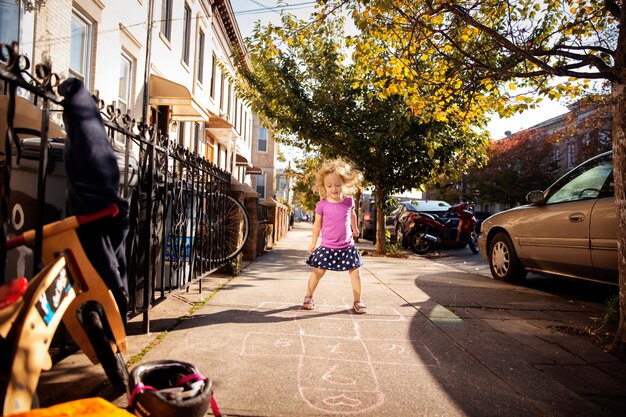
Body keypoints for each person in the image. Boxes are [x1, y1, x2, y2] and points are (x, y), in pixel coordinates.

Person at [303, 159, 366, 314]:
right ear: (323, 186)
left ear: (344, 183)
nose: (334, 189)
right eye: (329, 185)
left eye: (338, 185)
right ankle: (308, 296)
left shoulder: (349, 201)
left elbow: (352, 215)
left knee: (355, 272)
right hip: (327, 247)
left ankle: (357, 301)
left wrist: (355, 228)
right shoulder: (322, 205)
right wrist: (313, 243)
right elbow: (317, 225)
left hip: (347, 246)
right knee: (318, 272)